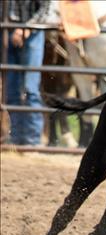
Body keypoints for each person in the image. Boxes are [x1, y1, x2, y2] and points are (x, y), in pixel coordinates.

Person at [5, 0, 50, 145]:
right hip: (8, 31)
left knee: (30, 88)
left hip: (32, 32)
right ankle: (16, 137)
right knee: (11, 89)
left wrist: (26, 28)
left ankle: (32, 140)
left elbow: (45, 9)